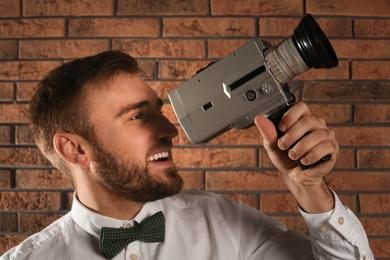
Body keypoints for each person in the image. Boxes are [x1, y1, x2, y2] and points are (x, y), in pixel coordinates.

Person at [1, 51, 373, 260]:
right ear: (76, 149)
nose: (169, 130)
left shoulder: (223, 221)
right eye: (136, 116)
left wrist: (310, 188)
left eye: (159, 111)